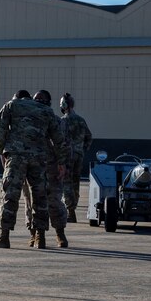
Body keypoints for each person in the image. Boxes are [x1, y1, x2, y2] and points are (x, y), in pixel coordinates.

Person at [0, 90, 65, 249]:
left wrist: (2, 152)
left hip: (16, 156)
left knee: (10, 194)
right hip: (39, 158)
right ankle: (40, 238)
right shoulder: (46, 110)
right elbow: (59, 138)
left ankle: (4, 237)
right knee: (40, 196)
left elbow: (0, 130)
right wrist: (62, 162)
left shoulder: (11, 105)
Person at [23, 90, 70, 248]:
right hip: (31, 167)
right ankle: (36, 234)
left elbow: (62, 144)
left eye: (42, 100)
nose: (39, 102)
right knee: (31, 202)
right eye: (36, 99)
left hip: (51, 168)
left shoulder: (57, 121)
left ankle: (60, 233)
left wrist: (62, 165)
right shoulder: (26, 121)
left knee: (54, 201)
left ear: (49, 103)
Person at [59, 93, 93, 223]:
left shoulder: (63, 121)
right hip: (79, 156)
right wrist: (82, 150)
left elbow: (59, 139)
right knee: (75, 182)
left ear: (64, 105)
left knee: (66, 182)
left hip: (67, 155)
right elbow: (89, 137)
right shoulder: (81, 120)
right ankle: (73, 208)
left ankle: (70, 211)